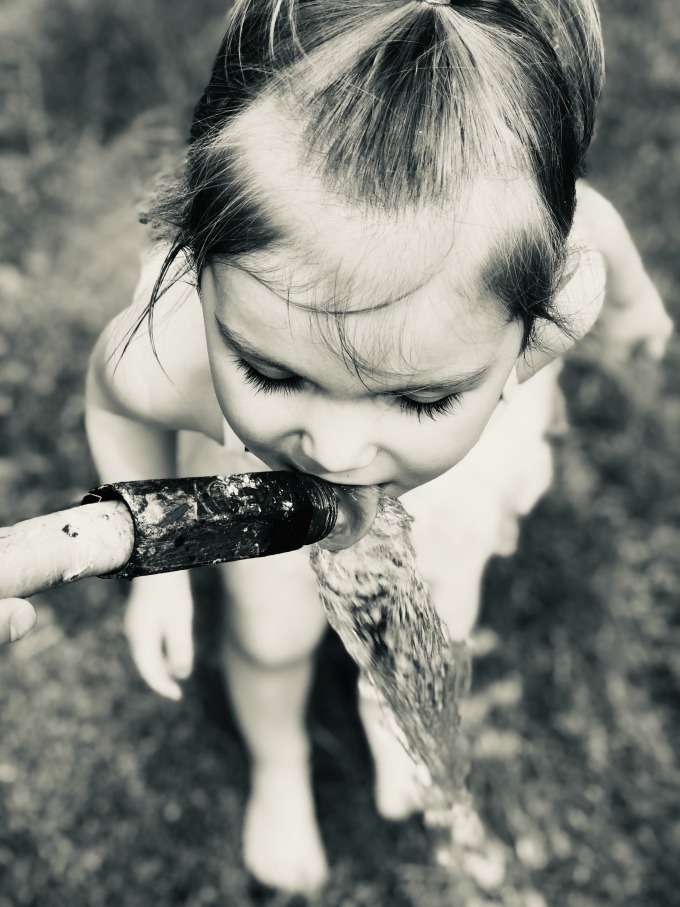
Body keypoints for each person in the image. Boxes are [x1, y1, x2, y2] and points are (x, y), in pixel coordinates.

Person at [63, 0, 675, 893]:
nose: (338, 449)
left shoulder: (562, 290)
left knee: (435, 611)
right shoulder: (172, 356)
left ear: (527, 323)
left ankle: (402, 718)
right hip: (254, 498)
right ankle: (279, 767)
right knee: (268, 638)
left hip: (451, 500)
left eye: (423, 395)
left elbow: (598, 238)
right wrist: (149, 567)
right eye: (273, 374)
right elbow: (112, 403)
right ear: (202, 261)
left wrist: (633, 312)